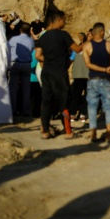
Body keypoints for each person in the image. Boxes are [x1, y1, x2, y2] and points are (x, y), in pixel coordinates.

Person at [35, 10, 82, 139]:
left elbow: (38, 55)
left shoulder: (43, 37)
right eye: (64, 20)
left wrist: (50, 59)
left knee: (46, 101)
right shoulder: (63, 35)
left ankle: (45, 131)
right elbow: (77, 49)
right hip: (59, 73)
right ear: (59, 20)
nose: (65, 22)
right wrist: (88, 42)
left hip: (46, 73)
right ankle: (68, 131)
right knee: (64, 102)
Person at [83, 22, 110, 142]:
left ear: (93, 33)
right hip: (106, 80)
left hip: (93, 80)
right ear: (102, 32)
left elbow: (88, 64)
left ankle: (93, 133)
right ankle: (108, 134)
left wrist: (101, 69)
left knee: (92, 106)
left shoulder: (87, 46)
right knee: (108, 106)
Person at [7, 22, 35, 118]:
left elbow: (8, 50)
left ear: (20, 30)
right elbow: (31, 50)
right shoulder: (31, 41)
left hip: (15, 63)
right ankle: (25, 110)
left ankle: (13, 110)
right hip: (27, 64)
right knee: (26, 89)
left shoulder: (13, 39)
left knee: (13, 88)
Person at [69, 32, 89, 122]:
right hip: (81, 75)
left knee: (83, 96)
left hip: (84, 75)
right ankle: (77, 114)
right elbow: (71, 59)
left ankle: (79, 114)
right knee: (79, 95)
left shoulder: (89, 48)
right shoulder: (78, 49)